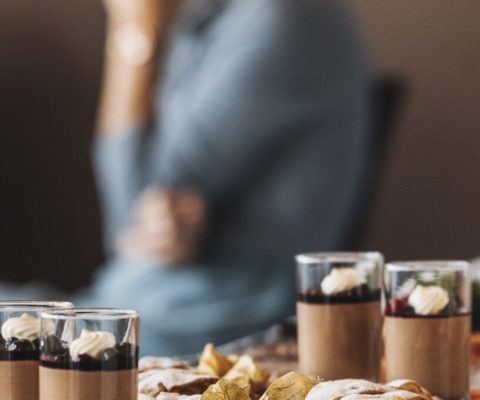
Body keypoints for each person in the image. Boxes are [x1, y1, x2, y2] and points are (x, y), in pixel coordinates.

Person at [39, 0, 370, 355]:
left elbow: (130, 217)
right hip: (142, 301)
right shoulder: (220, 16)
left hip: (206, 326)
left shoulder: (285, 19)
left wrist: (134, 29)